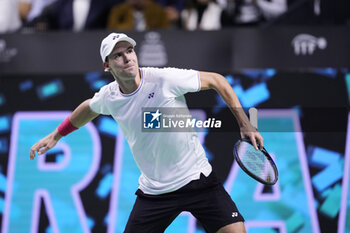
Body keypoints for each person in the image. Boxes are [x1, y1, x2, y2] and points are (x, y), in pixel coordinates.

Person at [30, 32, 263, 233]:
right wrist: (57, 135)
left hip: (198, 179)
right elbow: (88, 108)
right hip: (156, 192)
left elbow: (217, 80)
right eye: (118, 55)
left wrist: (244, 122)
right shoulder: (109, 96)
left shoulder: (163, 79)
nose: (127, 58)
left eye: (129, 51)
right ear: (107, 65)